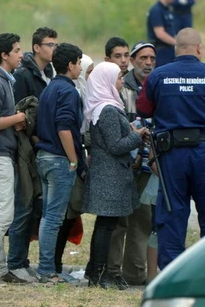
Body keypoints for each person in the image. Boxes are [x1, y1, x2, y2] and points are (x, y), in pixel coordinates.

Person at [137, 27, 205, 269]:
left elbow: (143, 110)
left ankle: (173, 281)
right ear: (199, 49)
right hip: (203, 153)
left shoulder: (158, 76)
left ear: (176, 50)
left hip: (171, 155)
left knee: (172, 217)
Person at [83, 62, 148, 289]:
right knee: (106, 226)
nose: (122, 82)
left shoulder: (104, 106)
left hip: (108, 175)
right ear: (107, 81)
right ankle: (100, 275)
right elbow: (116, 146)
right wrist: (137, 135)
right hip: (109, 176)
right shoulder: (108, 110)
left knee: (105, 224)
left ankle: (94, 272)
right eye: (119, 78)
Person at [7, 27, 58, 282]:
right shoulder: (24, 74)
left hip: (39, 146)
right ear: (37, 47)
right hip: (23, 148)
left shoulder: (49, 73)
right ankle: (14, 261)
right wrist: (31, 134)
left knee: (34, 206)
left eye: (55, 45)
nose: (54, 49)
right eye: (50, 45)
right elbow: (20, 115)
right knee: (23, 205)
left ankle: (23, 259)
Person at [106, 41, 157, 286]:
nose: (148, 63)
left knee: (143, 219)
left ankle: (135, 273)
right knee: (119, 220)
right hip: (123, 161)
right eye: (143, 58)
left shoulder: (156, 84)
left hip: (147, 163)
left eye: (152, 59)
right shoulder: (120, 85)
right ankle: (112, 270)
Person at [35, 43, 84, 285]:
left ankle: (49, 268)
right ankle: (46, 271)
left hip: (44, 156)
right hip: (58, 159)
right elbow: (64, 127)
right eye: (79, 62)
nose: (81, 67)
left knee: (48, 216)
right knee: (54, 218)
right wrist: (73, 159)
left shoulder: (50, 87)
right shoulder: (69, 91)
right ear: (71, 64)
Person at [0, 33, 27, 283]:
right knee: (3, 215)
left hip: (2, 155)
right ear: (4, 55)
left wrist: (13, 122)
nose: (21, 55)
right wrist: (19, 118)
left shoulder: (5, 80)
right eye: (17, 50)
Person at [147, 0, 178, 67]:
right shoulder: (156, 10)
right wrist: (177, 43)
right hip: (160, 52)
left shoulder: (167, 10)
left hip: (170, 51)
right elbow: (160, 34)